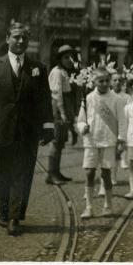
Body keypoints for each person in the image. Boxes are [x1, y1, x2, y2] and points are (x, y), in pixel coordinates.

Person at [0, 22, 54, 236]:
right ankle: (3, 212)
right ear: (7, 38)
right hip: (1, 129)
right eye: (16, 37)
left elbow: (45, 100)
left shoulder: (38, 68)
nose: (20, 41)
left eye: (24, 38)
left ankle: (15, 217)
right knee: (3, 174)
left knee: (23, 174)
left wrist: (48, 126)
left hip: (28, 132)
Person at [77, 67, 127, 219]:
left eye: (107, 80)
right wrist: (82, 127)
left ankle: (108, 205)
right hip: (91, 140)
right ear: (94, 82)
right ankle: (89, 207)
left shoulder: (117, 99)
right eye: (101, 81)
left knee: (106, 174)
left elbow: (122, 121)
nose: (105, 83)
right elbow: (81, 119)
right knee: (89, 172)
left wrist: (121, 140)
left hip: (108, 141)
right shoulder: (88, 98)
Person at [46, 45, 77, 185]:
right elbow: (57, 95)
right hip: (58, 108)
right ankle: (51, 173)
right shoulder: (57, 72)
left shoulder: (65, 72)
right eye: (66, 57)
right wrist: (63, 113)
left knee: (60, 141)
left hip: (65, 105)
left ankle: (56, 172)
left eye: (71, 57)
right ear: (59, 59)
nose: (69, 60)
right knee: (56, 141)